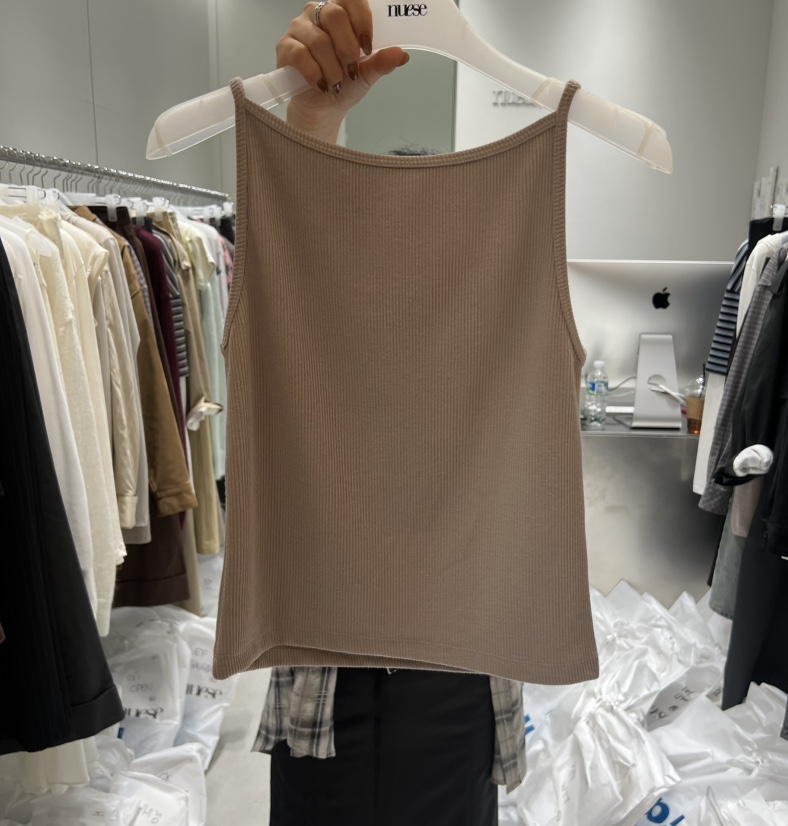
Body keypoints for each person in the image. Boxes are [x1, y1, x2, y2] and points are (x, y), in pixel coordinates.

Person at [252, 3, 527, 824]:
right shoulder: (324, 342)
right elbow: (290, 281)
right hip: (330, 687)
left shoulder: (495, 339)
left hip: (463, 679)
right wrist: (312, 127)